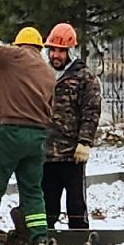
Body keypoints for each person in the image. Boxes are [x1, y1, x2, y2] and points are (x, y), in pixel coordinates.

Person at [0, 26, 55, 242]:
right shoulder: (47, 72)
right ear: (40, 47)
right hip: (37, 136)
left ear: (19, 44)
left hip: (12, 132)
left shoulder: (16, 56)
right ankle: (39, 237)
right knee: (33, 190)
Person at [41, 22, 101, 230]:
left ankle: (79, 239)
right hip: (46, 153)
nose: (56, 55)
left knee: (75, 203)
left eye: (61, 51)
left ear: (70, 51)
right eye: (53, 50)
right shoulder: (42, 74)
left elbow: (91, 111)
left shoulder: (84, 78)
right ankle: (46, 240)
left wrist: (85, 142)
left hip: (72, 154)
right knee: (47, 204)